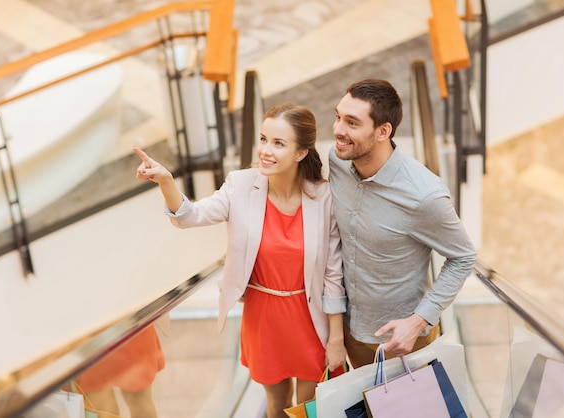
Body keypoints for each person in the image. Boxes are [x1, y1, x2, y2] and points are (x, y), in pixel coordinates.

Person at [134, 103, 347, 418]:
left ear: (301, 152)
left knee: (311, 409)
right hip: (264, 319)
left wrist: (337, 339)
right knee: (277, 404)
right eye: (263, 139)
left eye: (278, 143)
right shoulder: (240, 185)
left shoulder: (324, 197)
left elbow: (333, 274)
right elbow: (190, 216)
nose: (265, 150)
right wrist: (167, 182)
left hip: (311, 318)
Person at [328, 78, 477, 368]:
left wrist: (419, 320)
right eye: (337, 117)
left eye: (351, 122)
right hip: (348, 331)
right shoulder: (338, 160)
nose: (337, 130)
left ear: (383, 131)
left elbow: (463, 257)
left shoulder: (425, 195)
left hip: (402, 340)